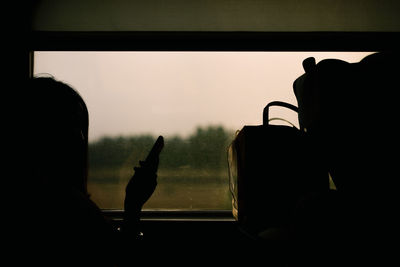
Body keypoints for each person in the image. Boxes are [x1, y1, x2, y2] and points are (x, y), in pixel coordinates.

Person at [22, 76, 160, 266]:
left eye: (80, 128)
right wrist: (134, 204)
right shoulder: (67, 206)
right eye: (69, 126)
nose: (80, 137)